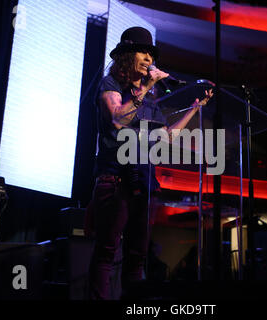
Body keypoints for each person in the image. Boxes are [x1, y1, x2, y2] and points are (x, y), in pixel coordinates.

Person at [85, 26, 212, 300]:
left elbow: (165, 137)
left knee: (137, 256)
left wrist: (194, 108)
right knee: (107, 252)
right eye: (143, 53)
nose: (148, 59)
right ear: (127, 56)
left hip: (142, 181)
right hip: (115, 180)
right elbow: (119, 119)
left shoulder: (149, 98)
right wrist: (146, 86)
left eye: (150, 55)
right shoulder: (111, 86)